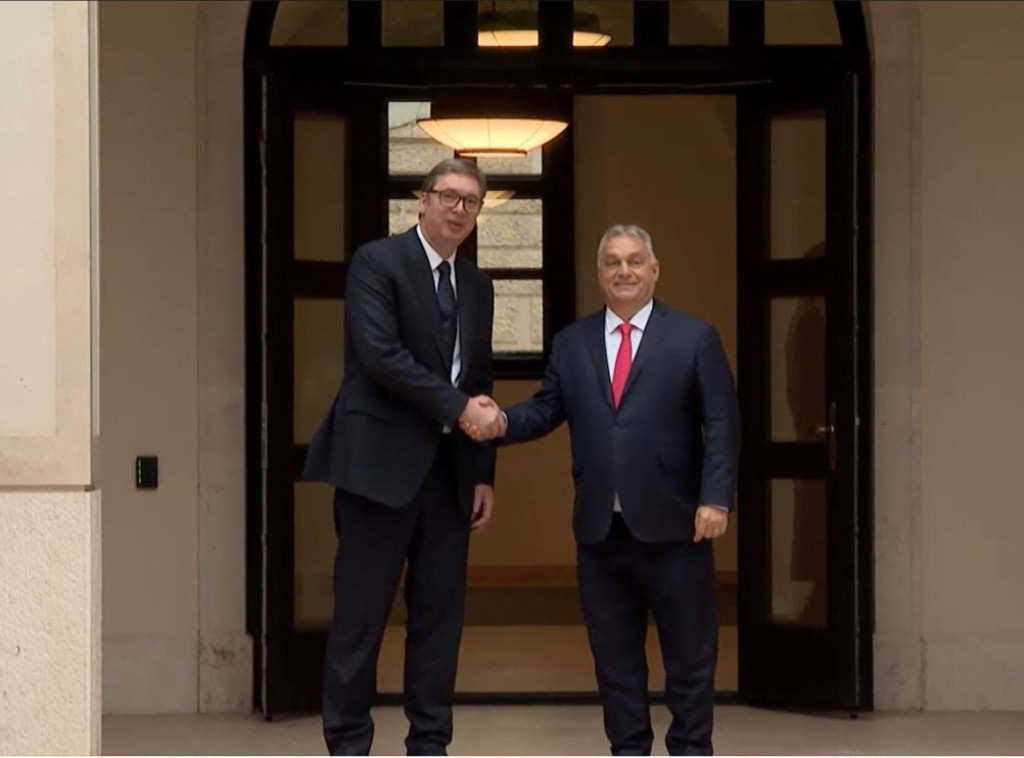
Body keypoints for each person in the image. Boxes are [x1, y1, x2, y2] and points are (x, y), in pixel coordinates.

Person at [463, 224, 740, 756]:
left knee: (689, 661)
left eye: (635, 261)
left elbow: (722, 423)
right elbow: (546, 408)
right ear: (599, 274)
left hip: (678, 529)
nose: (624, 271)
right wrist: (500, 422)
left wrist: (715, 498)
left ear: (654, 270)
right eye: (613, 262)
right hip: (600, 535)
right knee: (615, 665)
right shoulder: (573, 343)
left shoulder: (694, 338)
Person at [304, 158, 502, 756]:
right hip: (377, 470)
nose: (458, 209)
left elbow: (480, 378)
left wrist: (484, 472)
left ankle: (430, 743)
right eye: (447, 196)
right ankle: (348, 743)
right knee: (360, 620)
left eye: (470, 201)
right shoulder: (377, 262)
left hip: (450, 478)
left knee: (439, 622)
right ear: (422, 199)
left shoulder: (478, 286)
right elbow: (381, 356)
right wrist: (459, 408)